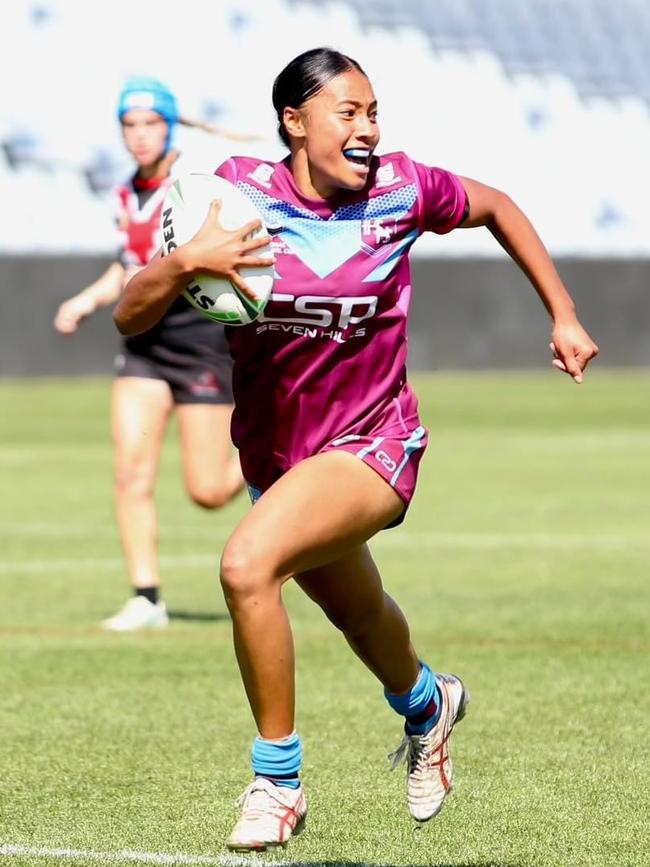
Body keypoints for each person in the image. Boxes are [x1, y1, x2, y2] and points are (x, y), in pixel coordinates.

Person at [114, 49, 598, 847]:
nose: (369, 128)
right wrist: (184, 262)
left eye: (374, 111)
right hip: (280, 461)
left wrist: (565, 312)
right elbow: (131, 316)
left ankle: (277, 781)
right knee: (360, 613)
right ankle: (427, 704)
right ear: (294, 123)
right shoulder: (232, 196)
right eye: (349, 112)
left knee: (245, 566)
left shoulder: (404, 189)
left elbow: (500, 207)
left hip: (376, 442)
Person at [54, 77, 245, 631]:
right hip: (143, 343)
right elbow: (127, 267)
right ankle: (146, 598)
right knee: (130, 471)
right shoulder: (124, 192)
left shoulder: (195, 186)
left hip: (200, 339)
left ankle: (281, 447)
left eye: (150, 124)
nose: (139, 137)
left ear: (170, 125)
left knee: (208, 491)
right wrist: (84, 302)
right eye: (129, 126)